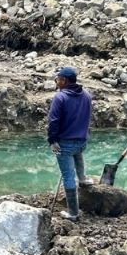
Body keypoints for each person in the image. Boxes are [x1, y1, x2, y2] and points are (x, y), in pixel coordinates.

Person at [47, 66, 93, 221]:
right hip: (81, 140)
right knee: (78, 156)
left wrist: (52, 140)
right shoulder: (86, 94)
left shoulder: (60, 97)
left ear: (64, 80)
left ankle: (73, 213)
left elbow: (53, 122)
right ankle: (83, 179)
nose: (56, 81)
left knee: (67, 176)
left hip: (65, 143)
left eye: (58, 78)